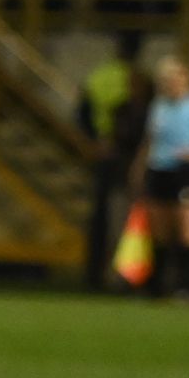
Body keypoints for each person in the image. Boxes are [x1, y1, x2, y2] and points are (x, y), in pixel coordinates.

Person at [128, 53, 189, 300]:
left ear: (185, 78)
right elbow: (150, 140)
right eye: (165, 79)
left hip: (184, 171)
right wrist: (138, 168)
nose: (169, 83)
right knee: (160, 231)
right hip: (159, 170)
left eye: (173, 78)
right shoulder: (159, 106)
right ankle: (157, 286)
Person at [77, 32, 147, 292]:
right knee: (125, 220)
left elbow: (82, 113)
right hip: (127, 160)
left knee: (101, 217)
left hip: (105, 155)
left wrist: (95, 141)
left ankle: (95, 274)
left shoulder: (99, 76)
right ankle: (125, 276)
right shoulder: (139, 80)